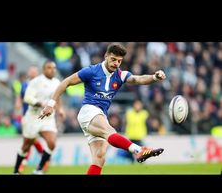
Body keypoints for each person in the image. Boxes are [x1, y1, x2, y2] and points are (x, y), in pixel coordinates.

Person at [39, 43, 166, 175]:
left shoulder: (120, 75)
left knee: (99, 158)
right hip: (89, 111)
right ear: (106, 56)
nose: (116, 63)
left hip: (100, 115)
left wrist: (154, 77)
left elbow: (138, 79)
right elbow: (65, 82)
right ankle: (138, 150)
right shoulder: (91, 71)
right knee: (110, 131)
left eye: (119, 61)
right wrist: (51, 104)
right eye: (113, 59)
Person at [13, 60, 66, 175]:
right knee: (26, 146)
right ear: (44, 70)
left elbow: (58, 97)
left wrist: (60, 109)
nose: (52, 70)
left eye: (54, 68)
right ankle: (16, 171)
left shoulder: (57, 82)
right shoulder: (35, 82)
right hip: (33, 117)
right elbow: (27, 98)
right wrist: (41, 103)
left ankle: (39, 170)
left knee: (52, 143)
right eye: (49, 68)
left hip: (48, 118)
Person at [14, 65, 49, 173]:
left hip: (36, 116)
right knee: (30, 140)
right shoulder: (24, 84)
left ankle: (22, 166)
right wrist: (18, 105)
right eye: (31, 71)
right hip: (26, 115)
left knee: (29, 139)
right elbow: (20, 97)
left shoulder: (40, 85)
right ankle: (45, 158)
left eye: (35, 71)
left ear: (37, 73)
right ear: (29, 72)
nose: (33, 73)